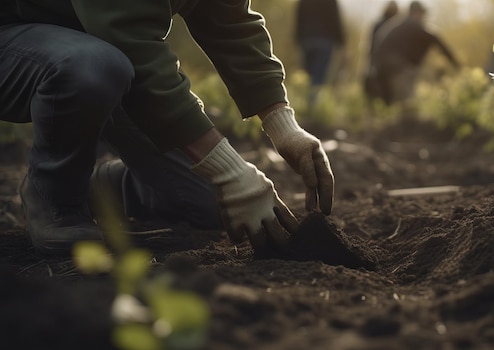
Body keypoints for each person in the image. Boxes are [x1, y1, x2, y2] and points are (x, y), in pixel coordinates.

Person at [0, 0, 335, 256]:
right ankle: (54, 194)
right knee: (93, 65)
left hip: (103, 51)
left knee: (211, 202)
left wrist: (284, 126)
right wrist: (230, 170)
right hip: (17, 36)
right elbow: (137, 51)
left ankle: (96, 185)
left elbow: (232, 23)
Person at [369, 1, 459, 106]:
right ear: (416, 13)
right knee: (406, 104)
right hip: (396, 67)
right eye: (422, 13)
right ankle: (405, 115)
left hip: (381, 67)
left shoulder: (399, 24)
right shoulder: (415, 25)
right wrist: (456, 64)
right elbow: (437, 40)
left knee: (391, 103)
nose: (423, 17)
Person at [295, 0, 346, 87]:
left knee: (306, 75)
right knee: (318, 76)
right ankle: (312, 98)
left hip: (306, 40)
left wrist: (297, 39)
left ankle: (305, 96)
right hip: (324, 40)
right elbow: (335, 18)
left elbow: (299, 18)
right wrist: (341, 42)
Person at [364, 1, 400, 100]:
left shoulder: (397, 25)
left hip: (390, 61)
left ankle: (384, 106)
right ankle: (374, 105)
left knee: (388, 85)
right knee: (375, 82)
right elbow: (372, 42)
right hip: (379, 59)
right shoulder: (379, 23)